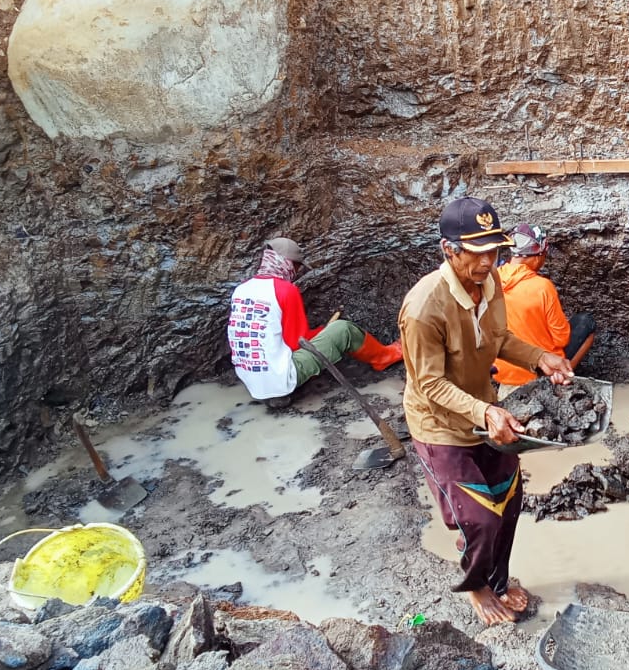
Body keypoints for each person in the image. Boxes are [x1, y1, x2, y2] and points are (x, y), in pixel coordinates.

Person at [399, 197, 575, 627]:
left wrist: (539, 358)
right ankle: (476, 587)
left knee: (509, 499)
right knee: (476, 516)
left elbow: (499, 339)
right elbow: (430, 384)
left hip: (485, 411)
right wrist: (485, 412)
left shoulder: (491, 281)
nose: (487, 261)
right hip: (440, 424)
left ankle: (498, 580)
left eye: (493, 250)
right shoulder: (423, 309)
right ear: (448, 249)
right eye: (476, 252)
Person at [227, 237, 402, 403]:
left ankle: (277, 390)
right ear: (287, 263)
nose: (296, 273)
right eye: (296, 266)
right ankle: (384, 357)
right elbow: (298, 342)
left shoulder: (241, 289)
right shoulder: (285, 290)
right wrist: (325, 331)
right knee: (343, 329)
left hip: (251, 380)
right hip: (280, 379)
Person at [493, 223, 596, 386]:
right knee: (586, 321)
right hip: (540, 368)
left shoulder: (493, 280)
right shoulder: (542, 287)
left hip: (501, 372)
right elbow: (561, 339)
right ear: (537, 255)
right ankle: (562, 374)